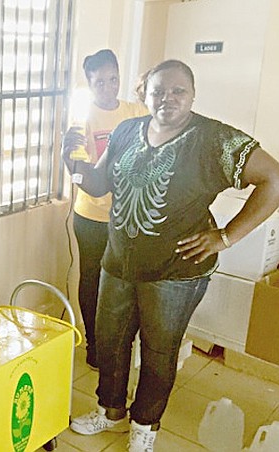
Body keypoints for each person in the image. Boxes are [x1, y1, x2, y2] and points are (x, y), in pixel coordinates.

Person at [62, 59, 279, 451]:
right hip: (118, 263)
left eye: (178, 90)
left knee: (159, 352)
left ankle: (144, 428)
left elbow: (274, 179)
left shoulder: (213, 139)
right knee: (110, 343)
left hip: (175, 273)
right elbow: (96, 183)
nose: (167, 98)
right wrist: (73, 162)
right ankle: (111, 413)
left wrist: (227, 237)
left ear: (193, 94)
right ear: (145, 93)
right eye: (158, 90)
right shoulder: (127, 130)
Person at [63, 49, 147, 370]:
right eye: (100, 82)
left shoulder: (135, 111)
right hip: (91, 218)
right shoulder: (81, 119)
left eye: (113, 80)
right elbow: (80, 167)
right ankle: (94, 345)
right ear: (90, 83)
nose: (108, 88)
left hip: (127, 216)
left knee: (123, 282)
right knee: (92, 279)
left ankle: (119, 344)